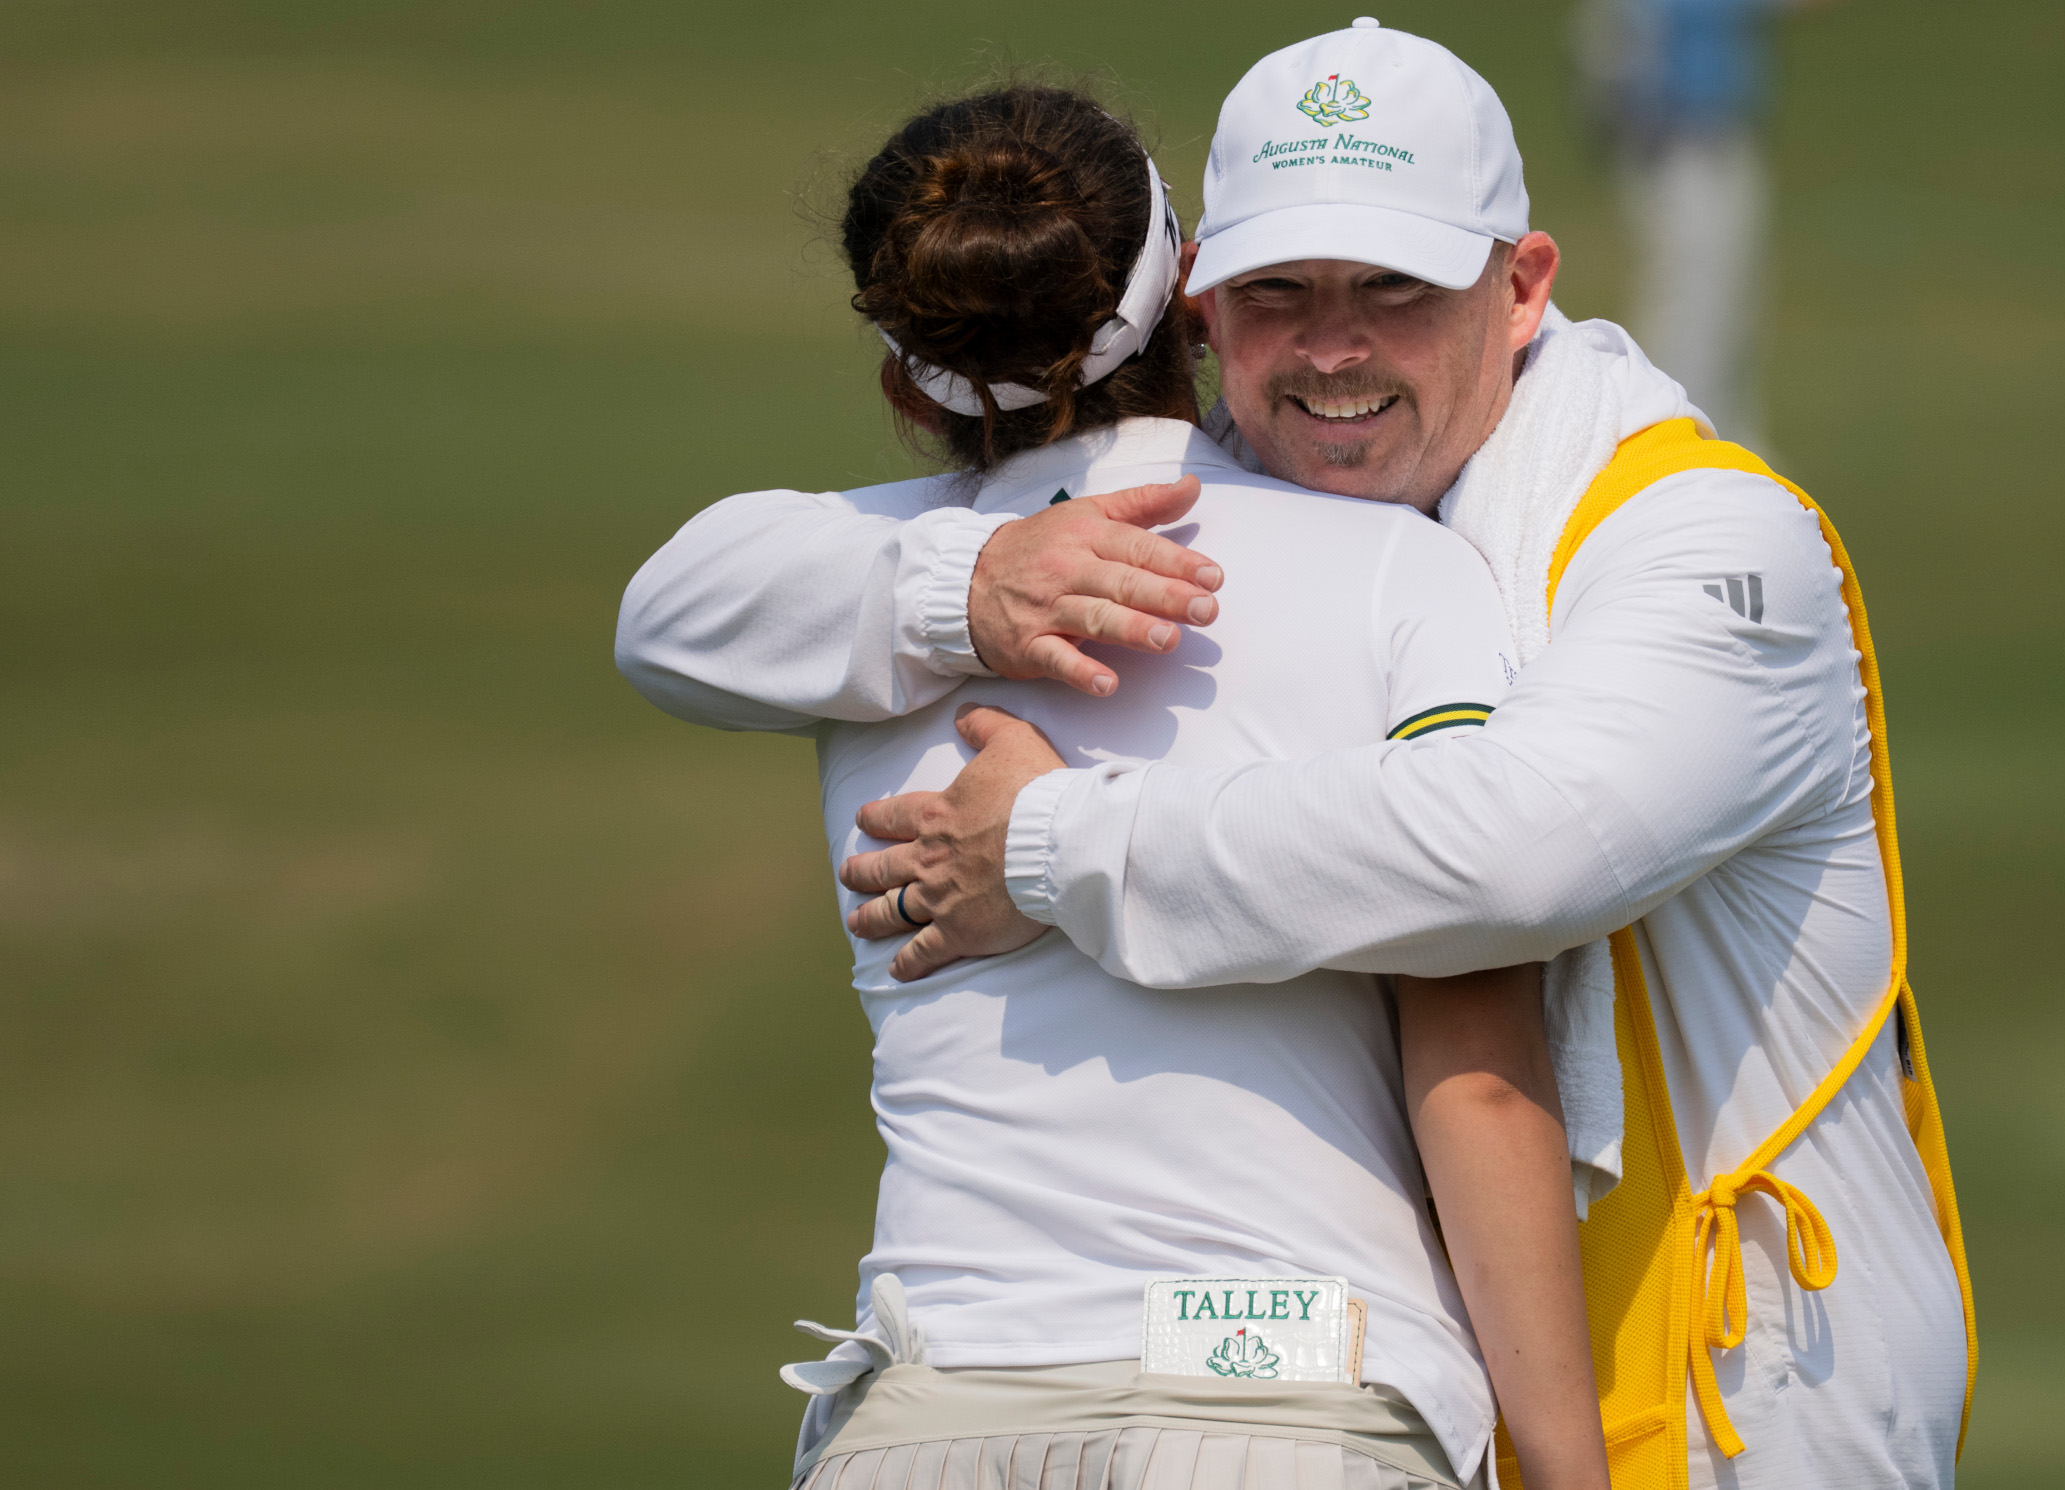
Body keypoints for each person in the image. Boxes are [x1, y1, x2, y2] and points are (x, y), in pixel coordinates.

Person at [620, 20, 1976, 1490]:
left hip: (1750, 1417)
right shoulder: (1303, 566)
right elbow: (673, 606)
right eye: (1282, 293)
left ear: (1523, 287)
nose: (1335, 347)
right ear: (1197, 305)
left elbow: (1506, 855)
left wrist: (1050, 840)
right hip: (1348, 1405)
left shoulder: (1710, 533)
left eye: (1395, 288)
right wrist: (968, 584)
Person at [617, 85, 1609, 1490]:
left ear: (907, 382)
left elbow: (664, 611)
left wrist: (964, 586)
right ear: (1193, 296)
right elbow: (1479, 1075)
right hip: (1291, 1404)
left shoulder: (842, 599)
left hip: (928, 1413)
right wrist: (1569, 1468)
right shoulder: (1405, 569)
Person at [1573, 0, 1812, 447]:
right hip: (1677, 146)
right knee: (1690, 303)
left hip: (1712, 138)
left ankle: (1720, 437)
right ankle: (1670, 435)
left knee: (1726, 299)